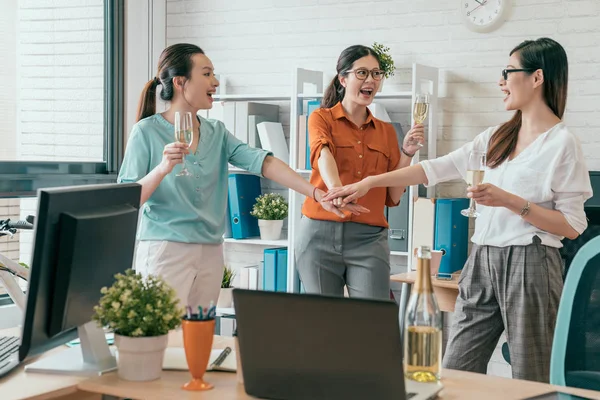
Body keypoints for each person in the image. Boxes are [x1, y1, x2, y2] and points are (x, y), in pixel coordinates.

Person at [324, 37, 593, 382]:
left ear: (537, 77)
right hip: (481, 259)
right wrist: (370, 182)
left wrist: (510, 201)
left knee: (531, 377)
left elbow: (572, 226)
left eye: (508, 71)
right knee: (456, 370)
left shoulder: (562, 143)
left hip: (530, 262)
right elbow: (432, 169)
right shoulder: (497, 136)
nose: (501, 80)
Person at [118, 43, 357, 309]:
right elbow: (129, 199)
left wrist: (316, 193)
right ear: (180, 82)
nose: (215, 81)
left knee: (200, 334)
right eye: (206, 74)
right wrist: (162, 168)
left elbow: (263, 163)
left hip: (210, 251)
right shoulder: (146, 132)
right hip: (166, 249)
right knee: (163, 339)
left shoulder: (216, 131)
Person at [295, 44, 424, 300]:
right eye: (362, 73)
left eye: (376, 74)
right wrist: (337, 190)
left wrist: (407, 153)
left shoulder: (386, 131)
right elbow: (323, 154)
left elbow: (393, 196)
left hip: (368, 239)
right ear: (343, 79)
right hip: (318, 233)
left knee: (370, 322)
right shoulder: (321, 118)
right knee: (323, 322)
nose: (371, 80)